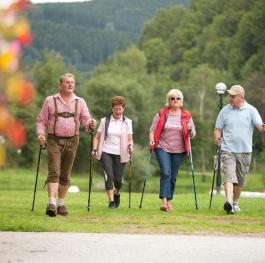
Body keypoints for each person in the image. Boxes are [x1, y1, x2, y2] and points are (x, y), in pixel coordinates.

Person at [36, 73, 97, 217]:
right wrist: (40, 134)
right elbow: (41, 120)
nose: (70, 85)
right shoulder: (50, 100)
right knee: (54, 171)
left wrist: (91, 124)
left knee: (65, 173)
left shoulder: (80, 102)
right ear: (60, 85)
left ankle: (61, 204)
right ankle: (51, 203)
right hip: (53, 139)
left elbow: (86, 120)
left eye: (72, 82)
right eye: (67, 82)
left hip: (72, 140)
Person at [214, 84, 265, 214]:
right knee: (229, 176)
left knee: (240, 181)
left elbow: (260, 127)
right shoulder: (224, 111)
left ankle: (235, 202)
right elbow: (218, 128)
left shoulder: (251, 110)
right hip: (228, 150)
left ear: (241, 97)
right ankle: (229, 201)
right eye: (229, 95)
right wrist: (217, 137)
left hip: (245, 151)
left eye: (232, 96)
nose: (229, 98)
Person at [149, 89, 196, 212]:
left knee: (173, 176)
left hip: (179, 150)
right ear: (168, 100)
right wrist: (152, 140)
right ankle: (163, 201)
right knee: (165, 172)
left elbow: (193, 134)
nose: (175, 100)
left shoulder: (187, 115)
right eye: (172, 98)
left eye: (178, 98)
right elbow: (152, 130)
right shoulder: (161, 113)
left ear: (182, 101)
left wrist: (190, 129)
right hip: (162, 147)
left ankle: (169, 200)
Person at [92, 96, 133, 208]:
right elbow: (97, 137)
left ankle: (117, 193)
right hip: (106, 152)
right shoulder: (105, 121)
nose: (118, 111)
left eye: (120, 109)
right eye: (116, 109)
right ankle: (111, 201)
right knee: (109, 176)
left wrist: (130, 147)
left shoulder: (127, 122)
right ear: (112, 108)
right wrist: (94, 149)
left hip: (121, 153)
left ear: (123, 109)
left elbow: (130, 139)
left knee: (118, 181)